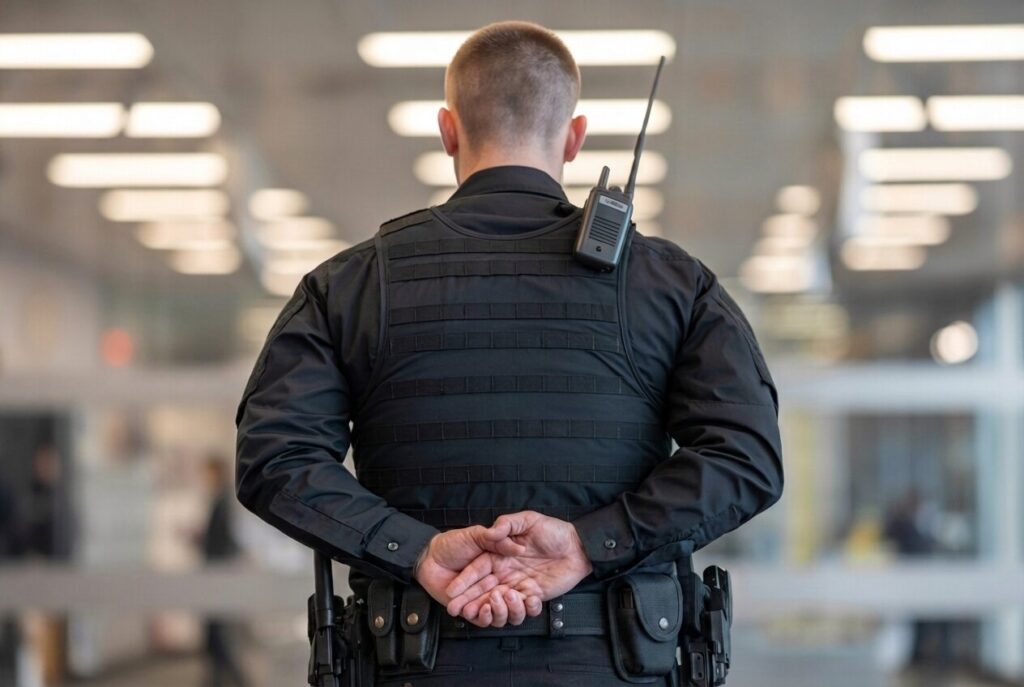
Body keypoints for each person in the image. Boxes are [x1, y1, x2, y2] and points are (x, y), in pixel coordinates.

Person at [236, 20, 783, 686]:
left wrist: (417, 551)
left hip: (414, 664)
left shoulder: (353, 284)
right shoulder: (672, 284)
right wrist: (591, 543)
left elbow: (276, 457)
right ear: (575, 137)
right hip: (619, 667)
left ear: (447, 131)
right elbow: (745, 456)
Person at [199, 456, 249, 687]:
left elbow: (228, 540)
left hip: (218, 575)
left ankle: (234, 680)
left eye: (208, 473)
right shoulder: (218, 500)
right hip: (213, 575)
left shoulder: (224, 502)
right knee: (214, 636)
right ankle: (217, 680)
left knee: (218, 634)